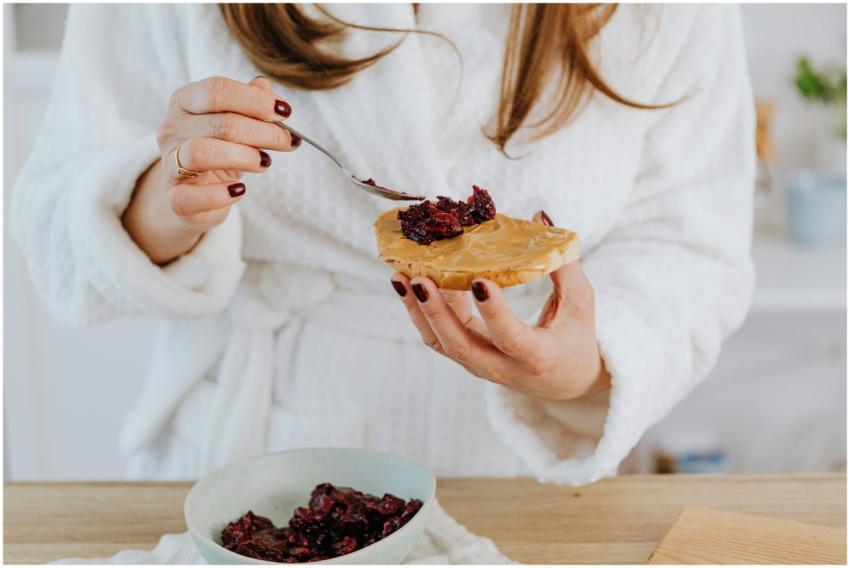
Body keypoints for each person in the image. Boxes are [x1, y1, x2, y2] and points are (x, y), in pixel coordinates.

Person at [12, 4, 755, 484]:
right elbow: (54, 236)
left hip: (522, 479)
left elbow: (690, 245)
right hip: (254, 454)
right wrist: (165, 201)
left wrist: (579, 369)